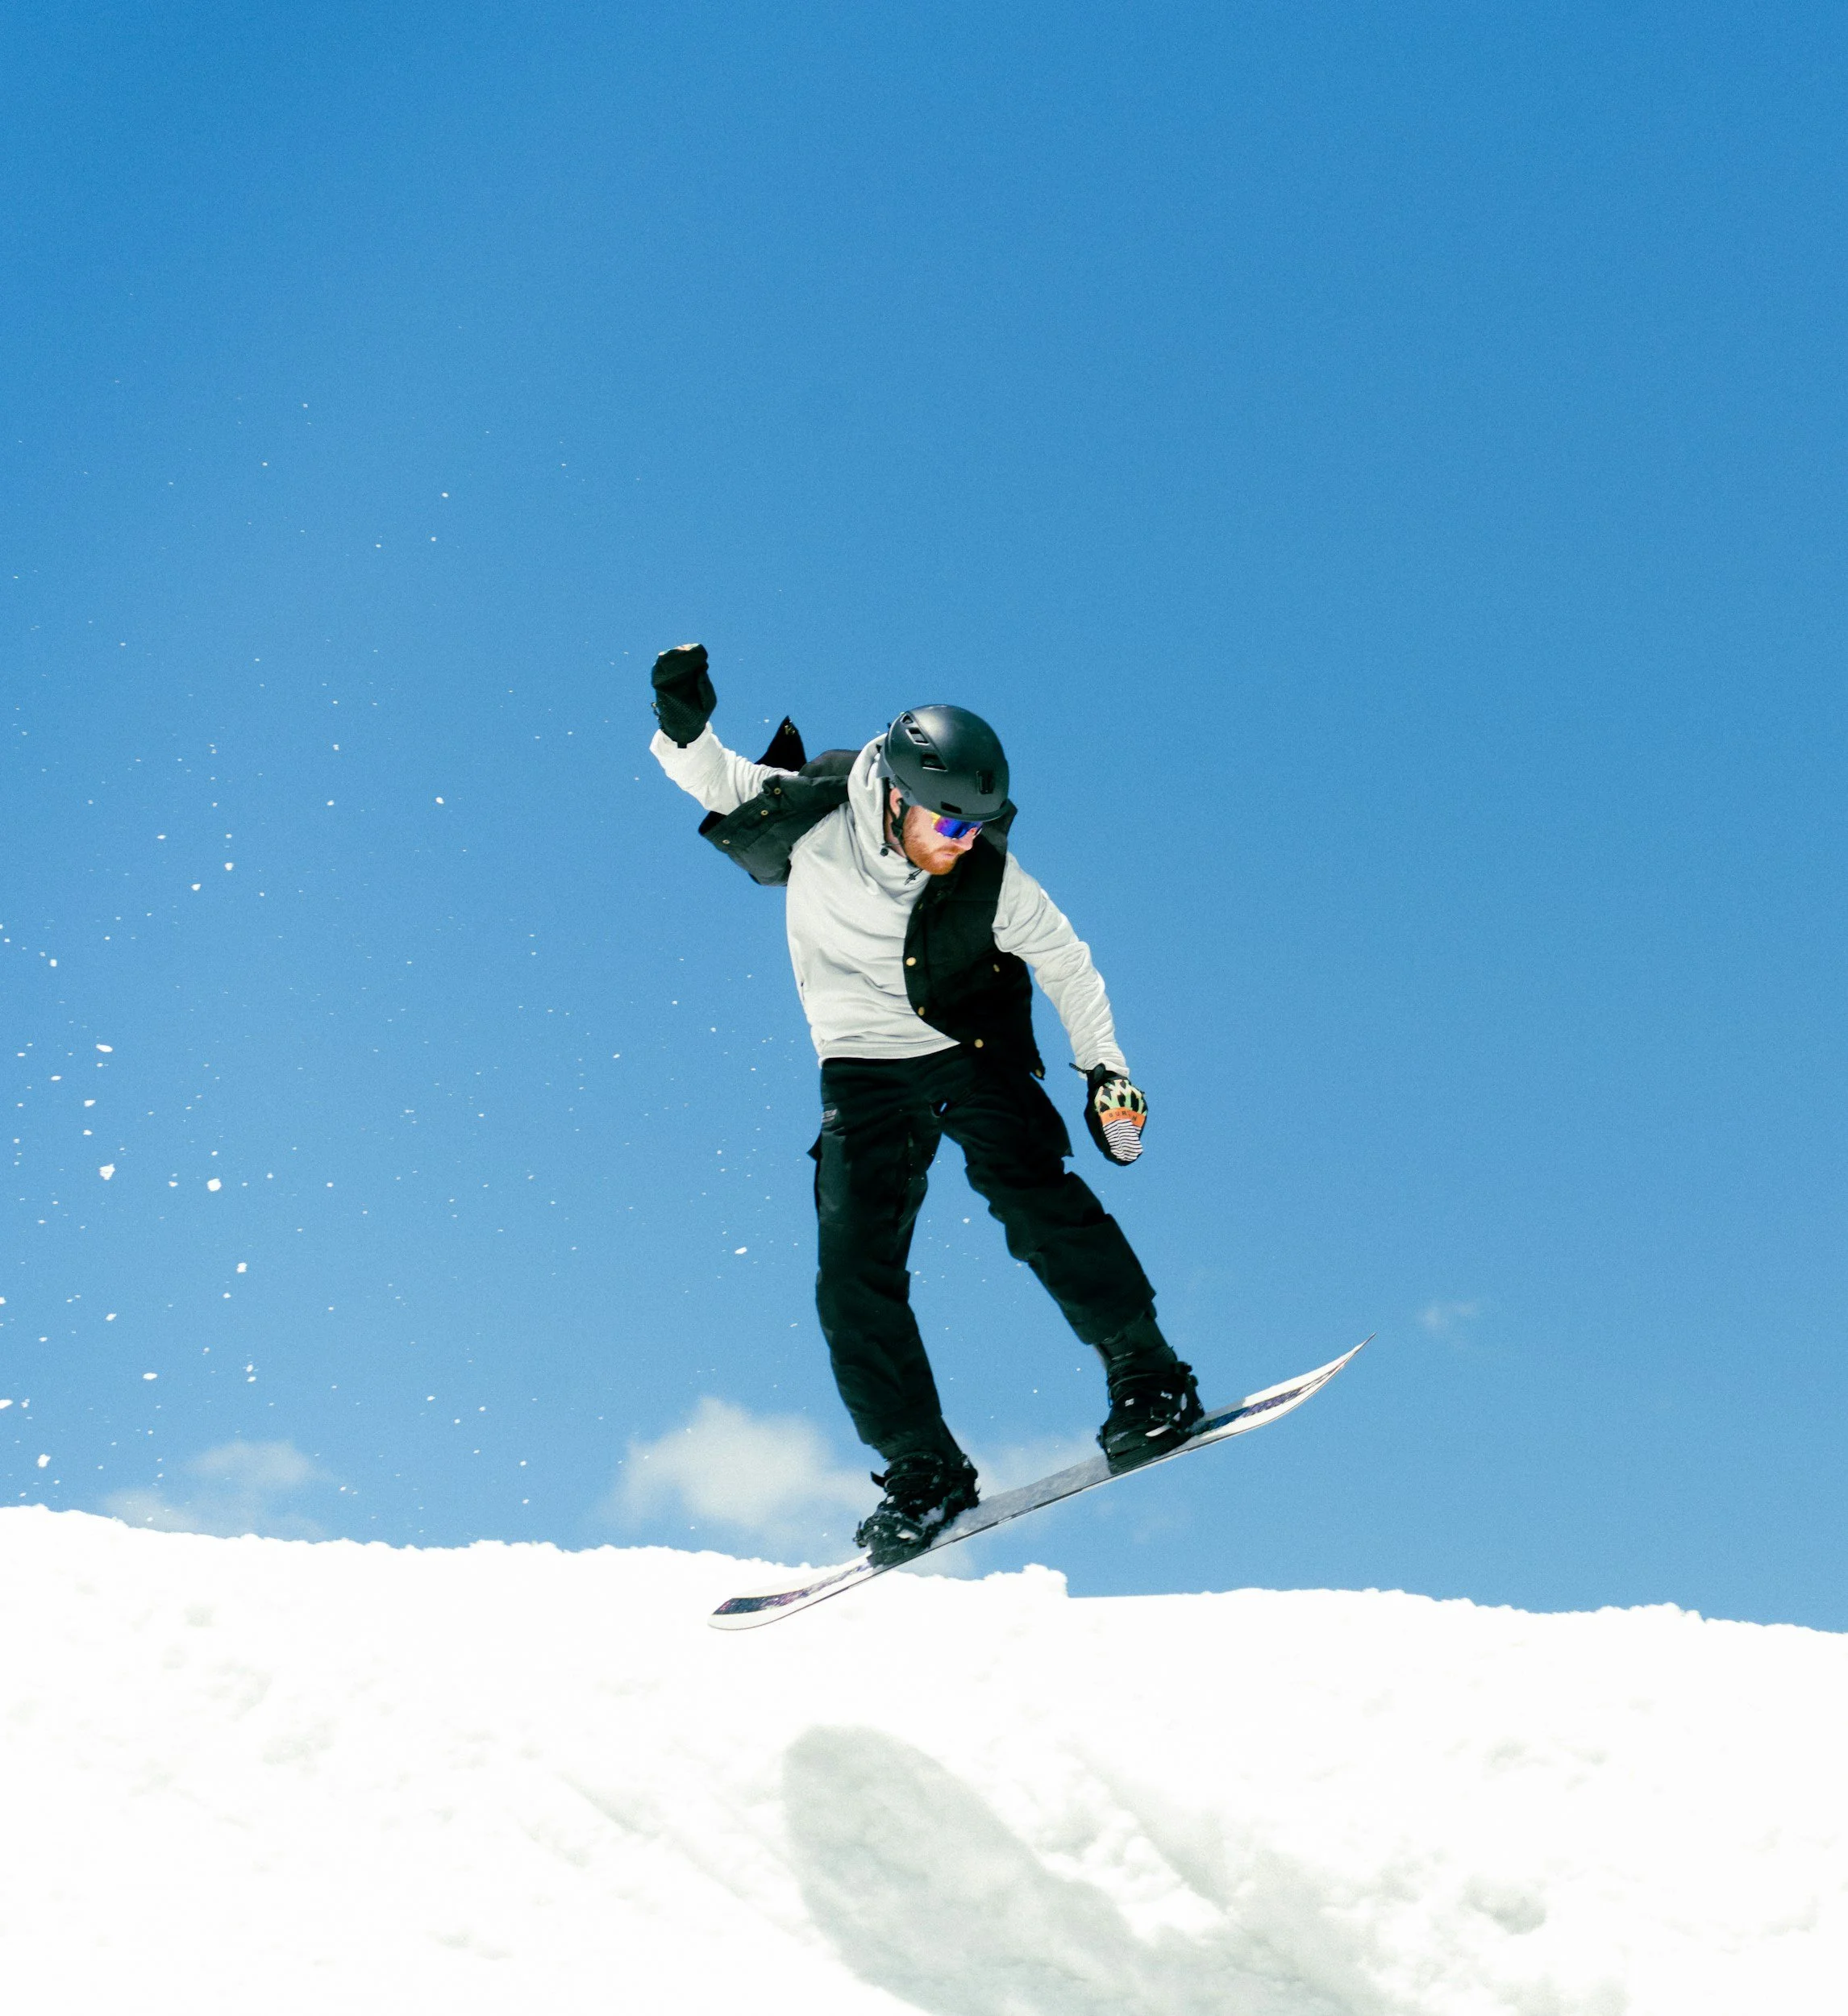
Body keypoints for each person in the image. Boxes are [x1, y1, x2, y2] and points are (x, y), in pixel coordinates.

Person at [647, 643, 1202, 1561]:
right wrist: (681, 720)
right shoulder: (820, 812)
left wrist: (1104, 1071)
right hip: (859, 1068)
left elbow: (1067, 962)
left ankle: (1150, 1377)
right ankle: (923, 1469)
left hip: (963, 1047)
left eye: (977, 829)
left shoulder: (989, 876)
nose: (963, 845)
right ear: (898, 796)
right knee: (851, 1273)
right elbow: (715, 775)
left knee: (1034, 1196)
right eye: (948, 827)